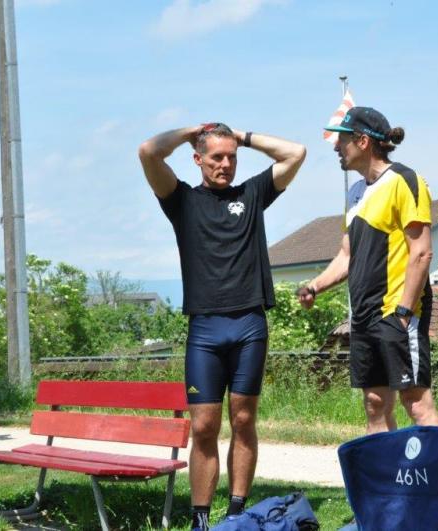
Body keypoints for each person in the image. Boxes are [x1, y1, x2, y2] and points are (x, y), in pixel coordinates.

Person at [138, 122, 305, 531]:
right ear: (198, 159)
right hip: (205, 331)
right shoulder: (181, 200)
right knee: (204, 426)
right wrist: (191, 132)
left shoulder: (252, 194)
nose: (225, 164)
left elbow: (295, 153)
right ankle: (200, 518)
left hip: (250, 324)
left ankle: (236, 514)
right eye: (216, 157)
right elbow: (148, 152)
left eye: (232, 157)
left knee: (244, 420)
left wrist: (243, 137)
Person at [297, 106, 438, 434]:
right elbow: (346, 256)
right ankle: (386, 469)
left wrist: (403, 312)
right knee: (375, 403)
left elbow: (421, 252)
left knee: (416, 402)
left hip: (396, 311)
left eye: (342, 141)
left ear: (363, 141)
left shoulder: (405, 181)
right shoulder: (355, 192)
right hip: (363, 317)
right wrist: (315, 286)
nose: (336, 148)